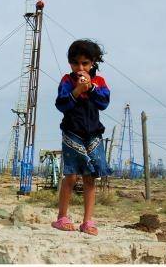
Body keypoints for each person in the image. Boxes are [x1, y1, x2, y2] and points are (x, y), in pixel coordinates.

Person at [51, 39, 113, 236]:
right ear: (70, 63)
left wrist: (91, 88)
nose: (80, 67)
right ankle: (62, 217)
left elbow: (104, 103)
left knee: (90, 177)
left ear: (93, 62)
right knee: (70, 175)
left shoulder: (99, 82)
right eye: (76, 63)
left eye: (85, 63)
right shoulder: (66, 81)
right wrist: (77, 91)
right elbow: (61, 104)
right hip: (72, 132)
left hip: (93, 134)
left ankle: (87, 221)